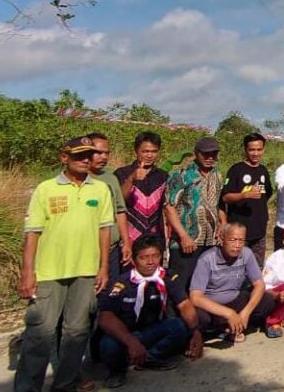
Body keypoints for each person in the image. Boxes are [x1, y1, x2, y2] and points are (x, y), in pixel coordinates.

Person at [15, 136, 113, 392]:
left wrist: (103, 267)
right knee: (40, 332)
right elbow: (32, 232)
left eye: (88, 155)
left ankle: (66, 384)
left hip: (86, 272)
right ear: (64, 158)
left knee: (77, 332)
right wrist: (28, 272)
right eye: (78, 155)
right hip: (49, 272)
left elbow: (104, 230)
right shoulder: (46, 189)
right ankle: (26, 387)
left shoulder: (100, 189)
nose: (85, 160)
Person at [98, 235, 203, 388]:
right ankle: (118, 371)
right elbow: (105, 318)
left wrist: (196, 332)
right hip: (125, 334)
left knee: (179, 326)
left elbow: (185, 304)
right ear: (134, 260)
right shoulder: (121, 283)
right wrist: (131, 341)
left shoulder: (167, 277)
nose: (151, 262)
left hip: (151, 330)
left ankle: (149, 359)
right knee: (108, 345)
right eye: (144, 257)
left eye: (155, 256)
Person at [188, 222, 273, 342]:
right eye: (232, 240)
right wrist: (228, 313)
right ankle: (223, 329)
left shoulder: (246, 254)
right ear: (222, 240)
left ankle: (235, 326)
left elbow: (259, 284)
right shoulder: (207, 259)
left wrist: (246, 313)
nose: (237, 245)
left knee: (267, 300)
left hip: (235, 300)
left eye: (241, 241)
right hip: (213, 306)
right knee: (199, 316)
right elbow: (195, 297)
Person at [165, 137, 226, 291]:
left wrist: (223, 223)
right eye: (206, 154)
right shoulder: (182, 175)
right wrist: (183, 236)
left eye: (213, 154)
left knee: (203, 286)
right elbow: (169, 207)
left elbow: (219, 203)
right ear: (196, 154)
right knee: (179, 286)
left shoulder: (217, 175)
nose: (210, 158)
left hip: (210, 242)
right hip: (187, 241)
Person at [220, 133, 273, 266]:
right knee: (236, 267)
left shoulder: (263, 171)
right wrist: (244, 195)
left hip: (259, 231)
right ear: (245, 149)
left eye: (259, 149)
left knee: (256, 268)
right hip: (239, 232)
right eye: (252, 150)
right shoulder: (236, 170)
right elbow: (225, 197)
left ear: (263, 149)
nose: (255, 153)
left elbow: (266, 195)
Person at [87, 132, 132, 280]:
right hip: (85, 249)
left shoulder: (111, 179)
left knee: (108, 288)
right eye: (98, 153)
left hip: (111, 249)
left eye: (107, 153)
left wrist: (126, 242)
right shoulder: (77, 180)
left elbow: (120, 211)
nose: (104, 157)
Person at [114, 131, 169, 246]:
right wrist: (131, 179)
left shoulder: (163, 176)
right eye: (145, 151)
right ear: (136, 151)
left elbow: (167, 208)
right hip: (128, 238)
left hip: (155, 239)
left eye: (154, 151)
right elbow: (118, 201)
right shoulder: (122, 173)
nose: (149, 155)